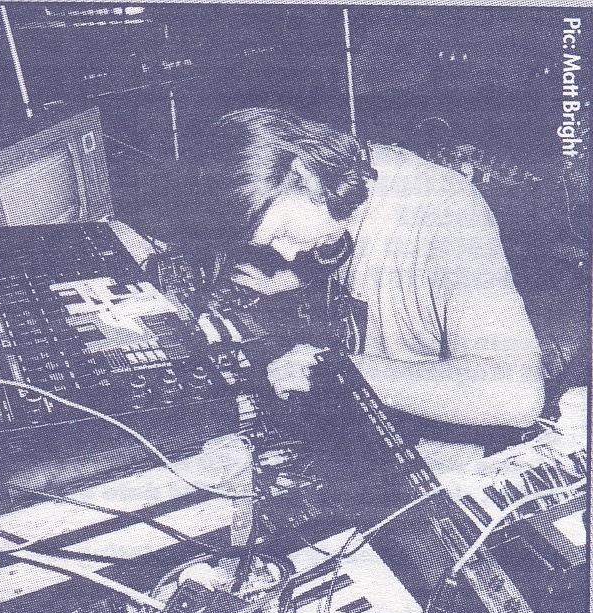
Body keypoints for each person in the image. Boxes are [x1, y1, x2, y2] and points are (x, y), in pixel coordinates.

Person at [199, 108, 546, 474]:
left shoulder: (445, 213)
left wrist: (338, 370)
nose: (285, 253)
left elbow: (517, 395)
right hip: (384, 427)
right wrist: (292, 279)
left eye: (281, 232)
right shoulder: (353, 176)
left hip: (452, 458)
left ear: (305, 175)